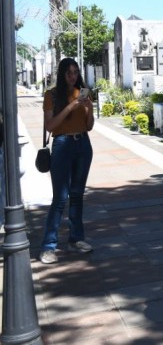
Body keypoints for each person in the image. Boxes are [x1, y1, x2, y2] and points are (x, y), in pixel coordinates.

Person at [39, 57, 95, 265]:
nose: (73, 76)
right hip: (62, 145)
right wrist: (71, 106)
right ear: (62, 74)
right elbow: (50, 125)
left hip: (83, 144)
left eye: (75, 72)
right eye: (69, 73)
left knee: (77, 194)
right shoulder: (52, 95)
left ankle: (76, 239)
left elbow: (89, 126)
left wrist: (89, 109)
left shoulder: (83, 92)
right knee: (60, 198)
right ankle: (48, 246)